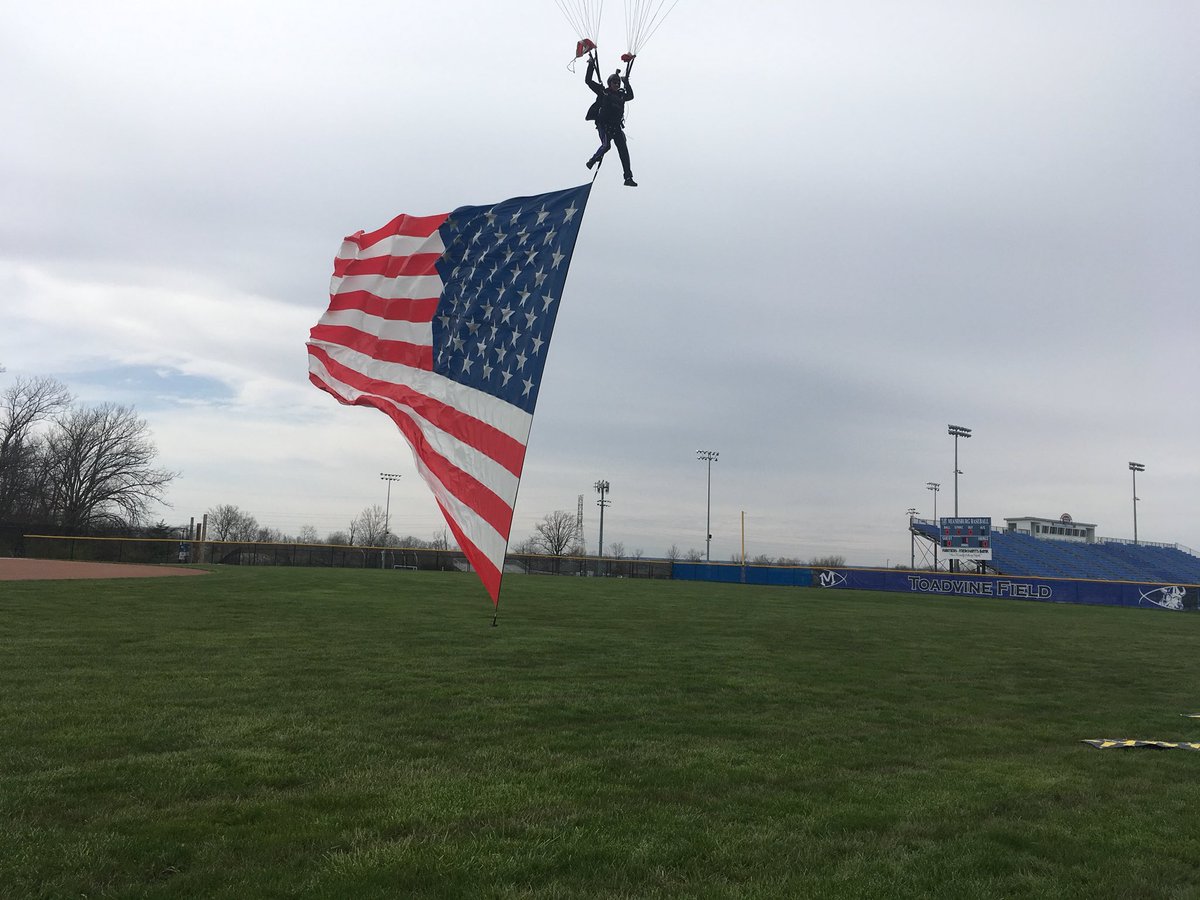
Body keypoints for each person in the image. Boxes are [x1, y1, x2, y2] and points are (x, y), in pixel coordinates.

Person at [584, 56, 636, 187]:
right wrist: (591, 65)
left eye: (618, 83)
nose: (617, 84)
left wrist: (626, 82)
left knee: (623, 150)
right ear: (609, 83)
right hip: (604, 126)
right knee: (606, 146)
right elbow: (588, 81)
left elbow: (631, 96)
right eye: (614, 82)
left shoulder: (621, 95)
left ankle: (628, 177)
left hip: (617, 128)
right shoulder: (603, 92)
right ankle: (592, 160)